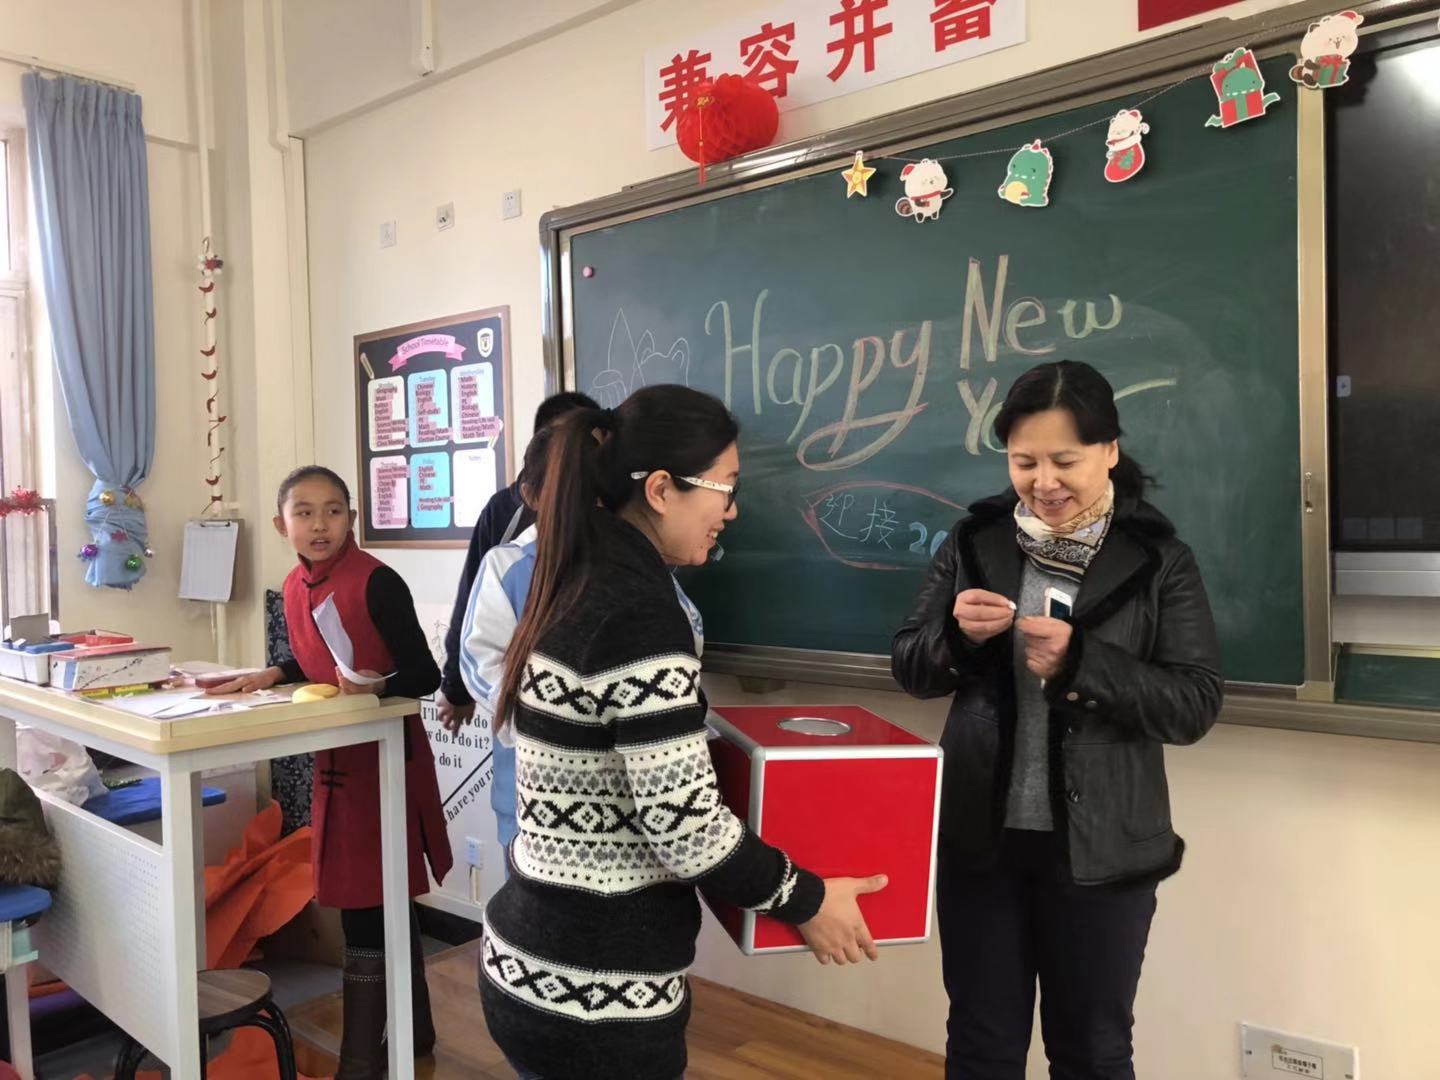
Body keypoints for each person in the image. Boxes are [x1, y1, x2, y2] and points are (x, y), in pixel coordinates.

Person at [480, 385, 887, 1080]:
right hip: (595, 998)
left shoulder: (572, 575)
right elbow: (686, 828)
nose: (731, 511)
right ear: (662, 489)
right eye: (725, 489)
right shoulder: (639, 614)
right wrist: (809, 900)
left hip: (529, 965)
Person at [891, 360, 1223, 1080]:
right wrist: (957, 640)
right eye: (1024, 462)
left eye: (1065, 461)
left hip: (1105, 850)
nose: (1044, 482)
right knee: (980, 1045)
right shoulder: (974, 542)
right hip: (982, 839)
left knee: (1092, 1051)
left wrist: (1082, 664)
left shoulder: (1159, 559)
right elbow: (911, 667)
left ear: (1109, 450)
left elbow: (1194, 703)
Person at [208, 466, 451, 1080]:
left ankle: (360, 1062)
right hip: (336, 760)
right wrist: (275, 673)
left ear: (351, 518)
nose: (320, 525)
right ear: (281, 524)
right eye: (305, 512)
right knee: (371, 895)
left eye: (334, 511)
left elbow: (425, 674)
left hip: (385, 761)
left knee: (368, 899)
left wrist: (374, 686)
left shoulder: (377, 581)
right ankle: (415, 1032)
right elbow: (316, 660)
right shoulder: (295, 586)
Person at [435, 391, 599, 733]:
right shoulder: (504, 519)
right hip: (524, 723)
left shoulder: (617, 521)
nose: (577, 455)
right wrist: (456, 688)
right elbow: (472, 606)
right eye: (566, 441)